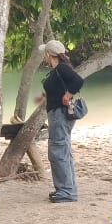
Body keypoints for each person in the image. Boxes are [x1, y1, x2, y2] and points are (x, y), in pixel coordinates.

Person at [34, 39, 84, 203]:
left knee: (58, 150)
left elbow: (78, 81)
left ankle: (66, 191)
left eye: (45, 54)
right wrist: (44, 97)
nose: (44, 57)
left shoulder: (62, 68)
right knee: (63, 149)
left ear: (49, 54)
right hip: (58, 114)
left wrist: (68, 95)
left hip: (60, 115)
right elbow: (58, 89)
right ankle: (67, 188)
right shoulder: (57, 70)